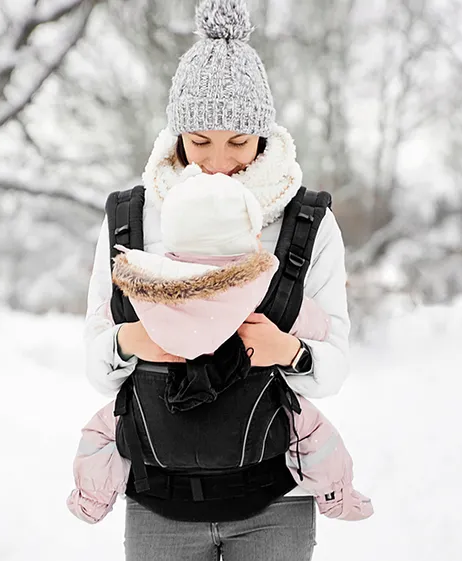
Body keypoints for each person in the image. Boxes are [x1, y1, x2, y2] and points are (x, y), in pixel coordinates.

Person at [82, 0, 352, 558]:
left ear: (264, 135)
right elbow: (97, 368)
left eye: (238, 142)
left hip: (277, 499)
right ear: (177, 134)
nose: (218, 162)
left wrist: (288, 350)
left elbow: (333, 367)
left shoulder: (308, 223)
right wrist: (131, 340)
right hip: (158, 500)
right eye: (199, 141)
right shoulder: (131, 219)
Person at [69, 168, 371, 525]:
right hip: (254, 430)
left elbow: (109, 319)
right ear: (250, 235)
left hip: (159, 426)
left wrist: (127, 338)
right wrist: (289, 346)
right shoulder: (264, 282)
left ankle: (91, 497)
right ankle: (336, 494)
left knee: (106, 428)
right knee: (310, 429)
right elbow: (316, 326)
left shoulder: (146, 281)